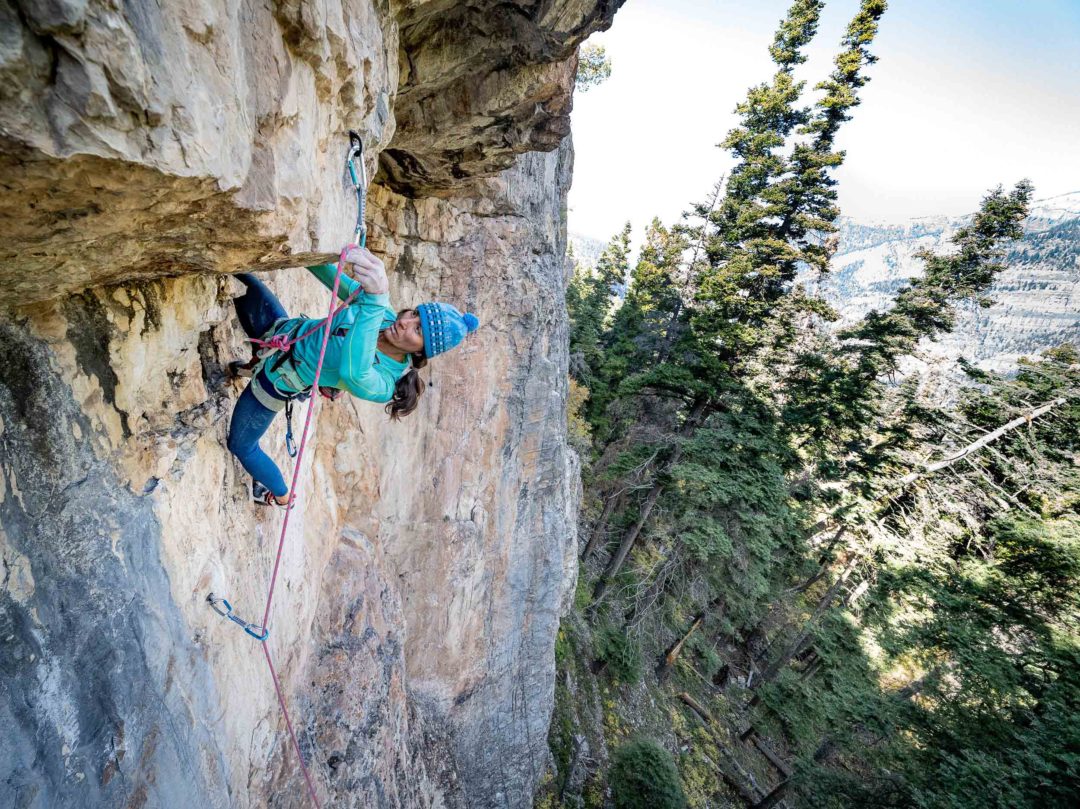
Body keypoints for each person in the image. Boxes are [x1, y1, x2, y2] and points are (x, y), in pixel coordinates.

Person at [226, 246, 479, 507]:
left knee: (241, 446)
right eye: (414, 313)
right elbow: (327, 274)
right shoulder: (383, 314)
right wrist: (300, 246)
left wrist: (376, 301)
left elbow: (354, 371)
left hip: (273, 385)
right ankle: (249, 366)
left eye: (418, 330)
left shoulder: (384, 383)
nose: (405, 322)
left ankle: (281, 496)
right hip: (279, 331)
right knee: (237, 271)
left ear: (420, 351)